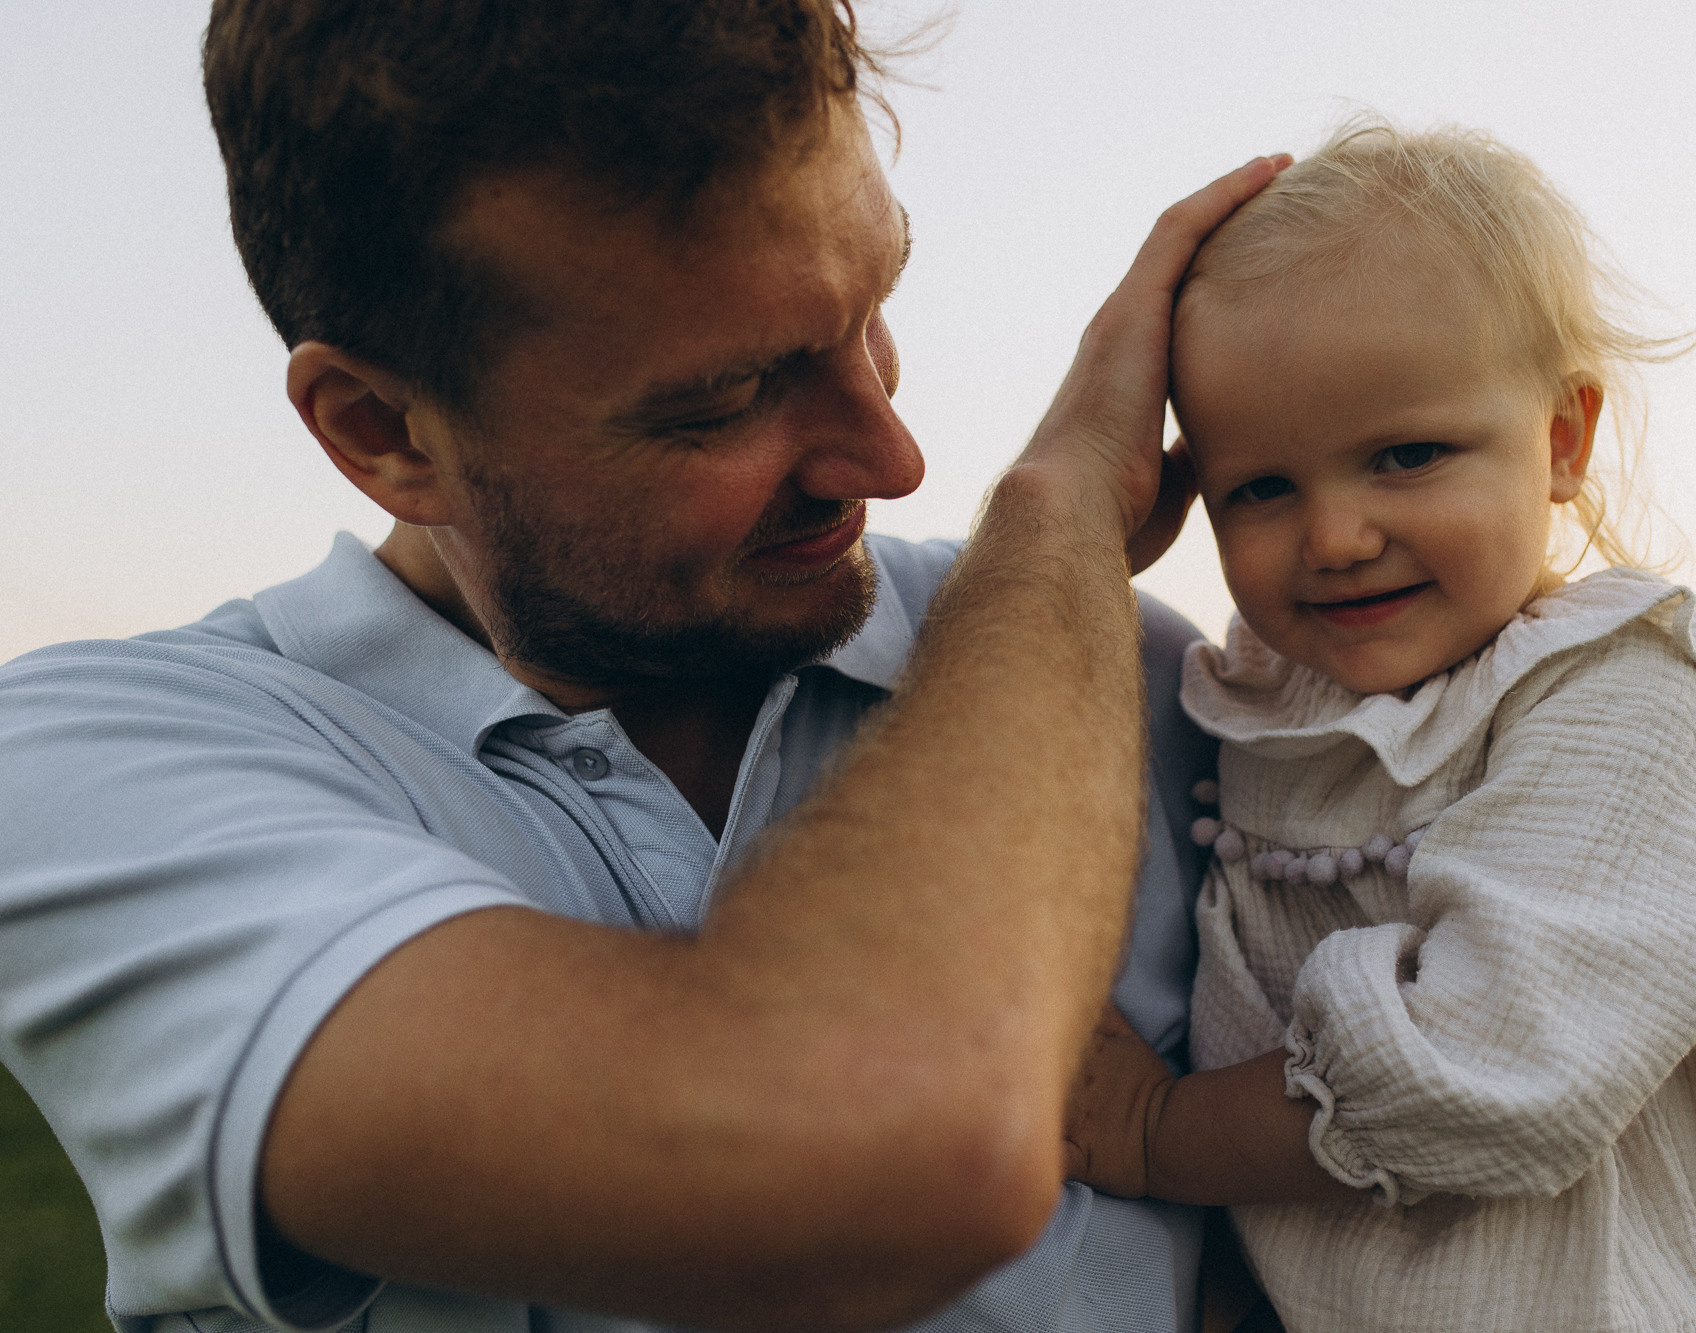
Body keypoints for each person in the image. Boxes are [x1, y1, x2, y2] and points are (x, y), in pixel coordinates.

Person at [0, 2, 1290, 1329]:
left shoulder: (1138, 678)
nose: (892, 459)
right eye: (729, 398)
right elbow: (898, 1150)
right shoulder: (93, 765)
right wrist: (1057, 519)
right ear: (383, 429)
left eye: (874, 309)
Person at [1060, 119, 1696, 1332]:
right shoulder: (1254, 703)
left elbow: (1492, 1068)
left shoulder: (1618, 697)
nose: (1332, 535)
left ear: (1559, 440)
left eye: (1405, 454)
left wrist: (1156, 1130)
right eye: (1261, 487)